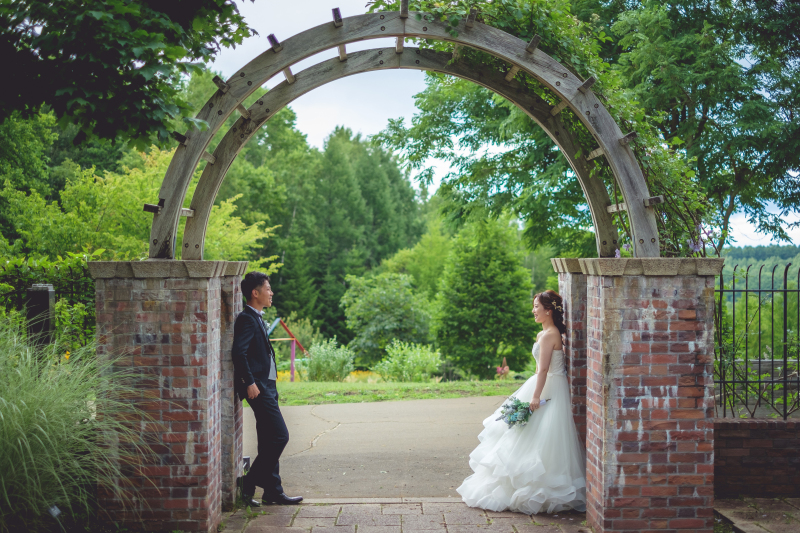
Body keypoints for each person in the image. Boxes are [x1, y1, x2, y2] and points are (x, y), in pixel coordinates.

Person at [457, 289, 586, 515]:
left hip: (550, 388)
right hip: (540, 383)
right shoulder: (543, 334)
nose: (533, 311)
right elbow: (539, 369)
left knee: (544, 436)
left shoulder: (550, 335)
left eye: (536, 307)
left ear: (548, 310)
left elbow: (544, 369)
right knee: (525, 432)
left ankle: (542, 485)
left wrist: (535, 396)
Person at [231, 271, 303, 506]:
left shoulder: (257, 316)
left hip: (267, 387)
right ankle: (249, 482)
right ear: (255, 293)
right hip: (258, 389)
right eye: (268, 288)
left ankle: (272, 491)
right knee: (281, 436)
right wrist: (250, 383)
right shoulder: (246, 318)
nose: (271, 292)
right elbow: (238, 353)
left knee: (268, 438)